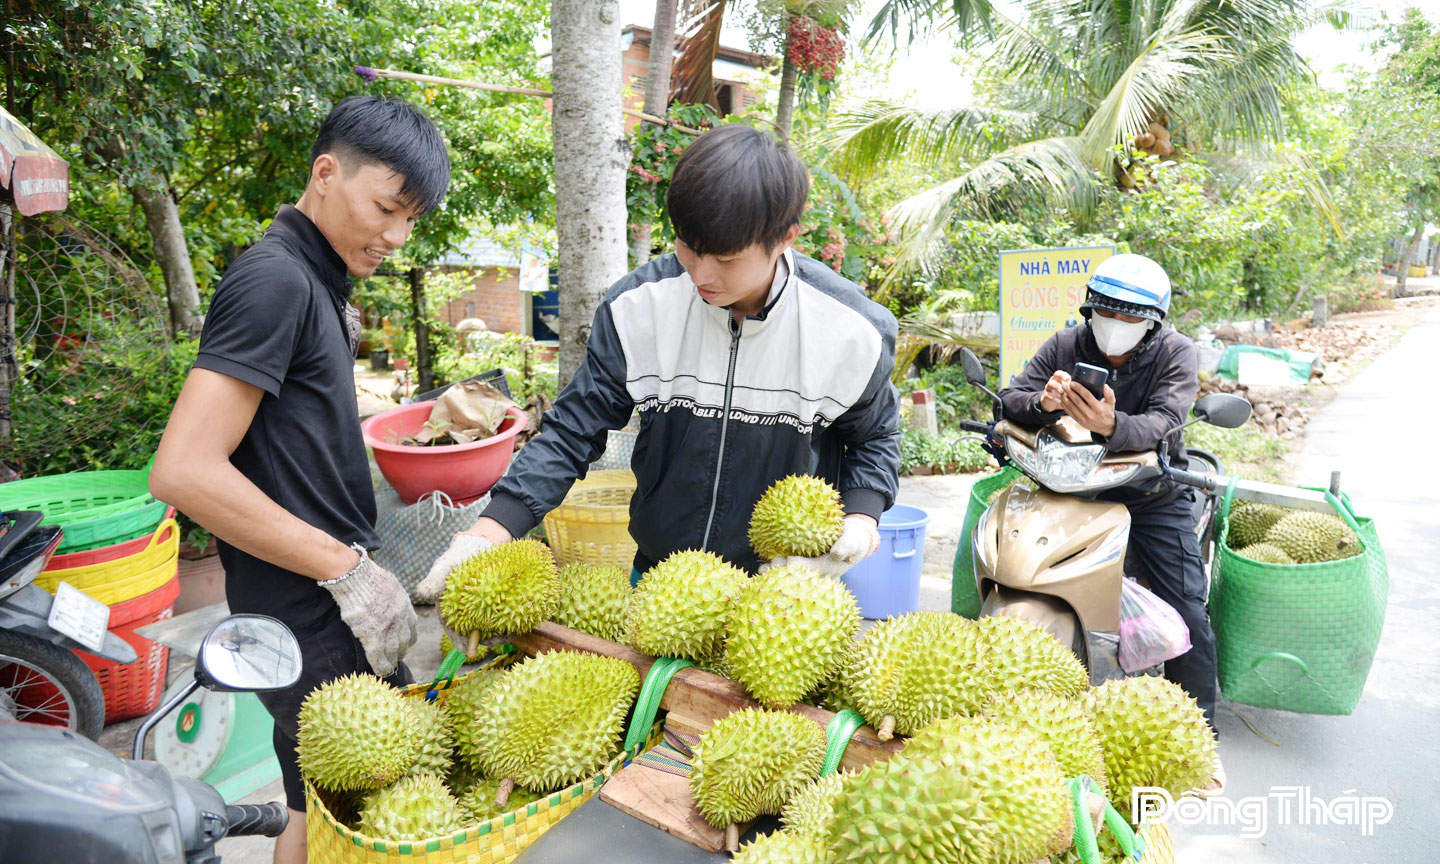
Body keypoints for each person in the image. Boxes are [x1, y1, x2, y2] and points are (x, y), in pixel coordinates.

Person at [415, 124, 902, 603]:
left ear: (785, 239)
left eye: (726, 259)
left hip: (783, 597)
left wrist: (861, 518)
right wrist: (488, 531)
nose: (701, 274)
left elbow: (875, 437)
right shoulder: (639, 308)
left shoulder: (850, 331)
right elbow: (572, 430)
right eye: (688, 246)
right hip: (658, 584)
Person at [148, 96, 448, 864]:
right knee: (350, 817)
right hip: (307, 611)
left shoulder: (315, 282)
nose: (397, 236)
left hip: (311, 606)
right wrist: (347, 570)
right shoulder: (276, 281)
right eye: (387, 208)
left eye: (413, 218)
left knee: (306, 810)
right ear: (325, 173)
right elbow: (182, 470)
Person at [996, 252, 1225, 793]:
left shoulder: (1176, 352)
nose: (1115, 327)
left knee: (1187, 606)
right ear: (1090, 310)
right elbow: (1012, 396)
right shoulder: (1066, 343)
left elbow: (1166, 420)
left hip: (1149, 490)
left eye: (1131, 319)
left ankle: (1205, 743)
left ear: (1152, 325)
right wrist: (1044, 402)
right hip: (1067, 479)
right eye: (1107, 314)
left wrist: (1112, 423)